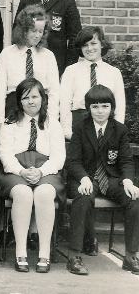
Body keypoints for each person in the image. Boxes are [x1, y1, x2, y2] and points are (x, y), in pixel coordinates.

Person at [66, 85, 139, 275]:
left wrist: (128, 181)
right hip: (86, 178)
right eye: (95, 106)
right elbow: (73, 161)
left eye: (105, 106)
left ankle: (131, 255)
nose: (100, 111)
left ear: (111, 108)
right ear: (88, 108)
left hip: (111, 179)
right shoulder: (81, 128)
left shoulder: (120, 130)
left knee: (134, 199)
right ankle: (74, 255)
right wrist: (83, 178)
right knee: (83, 199)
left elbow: (126, 161)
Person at [0, 78, 65, 273]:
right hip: (16, 169)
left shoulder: (52, 123)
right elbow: (5, 153)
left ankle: (44, 253)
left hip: (46, 169)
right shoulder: (10, 122)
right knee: (23, 193)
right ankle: (21, 252)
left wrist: (41, 172)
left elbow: (59, 156)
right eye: (25, 97)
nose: (31, 101)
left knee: (44, 193)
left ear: (43, 99)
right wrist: (21, 171)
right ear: (19, 100)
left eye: (35, 96)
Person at [15, 0, 82, 76]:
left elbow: (75, 39)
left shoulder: (67, 3)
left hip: (57, 65)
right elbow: (17, 33)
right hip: (28, 63)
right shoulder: (25, 1)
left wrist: (67, 69)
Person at [0, 4, 60, 127]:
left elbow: (54, 91)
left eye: (41, 31)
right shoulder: (7, 54)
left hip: (41, 106)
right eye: (33, 31)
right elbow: (0, 90)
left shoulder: (48, 56)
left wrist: (52, 120)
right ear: (23, 30)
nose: (37, 35)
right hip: (13, 105)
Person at [60, 26, 125, 140]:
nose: (89, 48)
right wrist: (67, 132)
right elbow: (64, 104)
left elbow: (119, 106)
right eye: (85, 45)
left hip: (106, 126)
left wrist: (115, 133)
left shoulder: (114, 72)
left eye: (93, 43)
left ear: (102, 44)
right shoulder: (71, 71)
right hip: (78, 125)